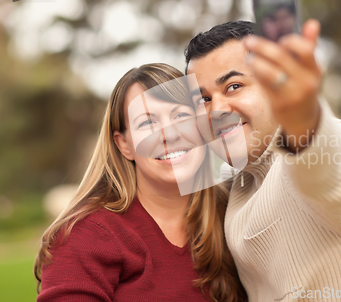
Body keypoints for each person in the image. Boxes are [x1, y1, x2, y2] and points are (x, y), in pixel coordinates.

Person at [184, 21, 341, 301]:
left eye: (234, 86)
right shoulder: (239, 183)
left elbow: (330, 173)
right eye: (203, 100)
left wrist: (304, 120)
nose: (217, 111)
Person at [34, 63, 247, 302]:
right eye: (147, 123)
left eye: (181, 116)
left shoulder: (233, 213)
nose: (170, 134)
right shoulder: (89, 234)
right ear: (124, 144)